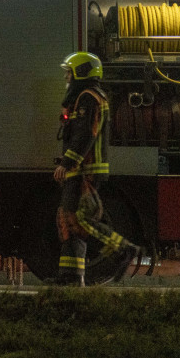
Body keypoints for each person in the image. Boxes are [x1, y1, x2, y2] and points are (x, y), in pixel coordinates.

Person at [52, 51, 140, 286]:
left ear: (81, 73)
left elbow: (84, 135)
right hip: (81, 169)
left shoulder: (88, 98)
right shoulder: (86, 97)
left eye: (69, 73)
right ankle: (70, 276)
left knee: (79, 219)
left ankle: (123, 250)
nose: (66, 78)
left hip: (85, 170)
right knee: (68, 221)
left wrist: (67, 163)